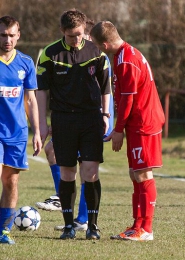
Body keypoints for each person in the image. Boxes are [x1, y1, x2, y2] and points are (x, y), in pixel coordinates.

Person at [36, 10, 111, 240]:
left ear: (84, 31)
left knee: (90, 172)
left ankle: (93, 226)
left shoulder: (97, 51)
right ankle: (69, 226)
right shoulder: (49, 54)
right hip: (63, 119)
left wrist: (106, 115)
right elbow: (41, 93)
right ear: (62, 32)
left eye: (79, 34)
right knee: (67, 173)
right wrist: (41, 126)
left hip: (90, 118)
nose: (76, 39)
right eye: (71, 36)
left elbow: (106, 86)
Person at [90, 21, 165, 241]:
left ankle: (147, 229)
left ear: (104, 43)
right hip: (137, 123)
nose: (96, 48)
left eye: (96, 44)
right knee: (135, 174)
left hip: (143, 123)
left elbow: (127, 99)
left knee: (143, 173)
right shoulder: (123, 55)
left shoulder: (127, 61)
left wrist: (118, 130)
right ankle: (137, 225)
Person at [0, 16, 42, 244]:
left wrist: (36, 131)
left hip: (16, 133)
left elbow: (31, 100)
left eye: (11, 35)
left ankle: (3, 231)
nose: (7, 39)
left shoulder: (25, 63)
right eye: (3, 35)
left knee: (10, 182)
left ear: (18, 35)